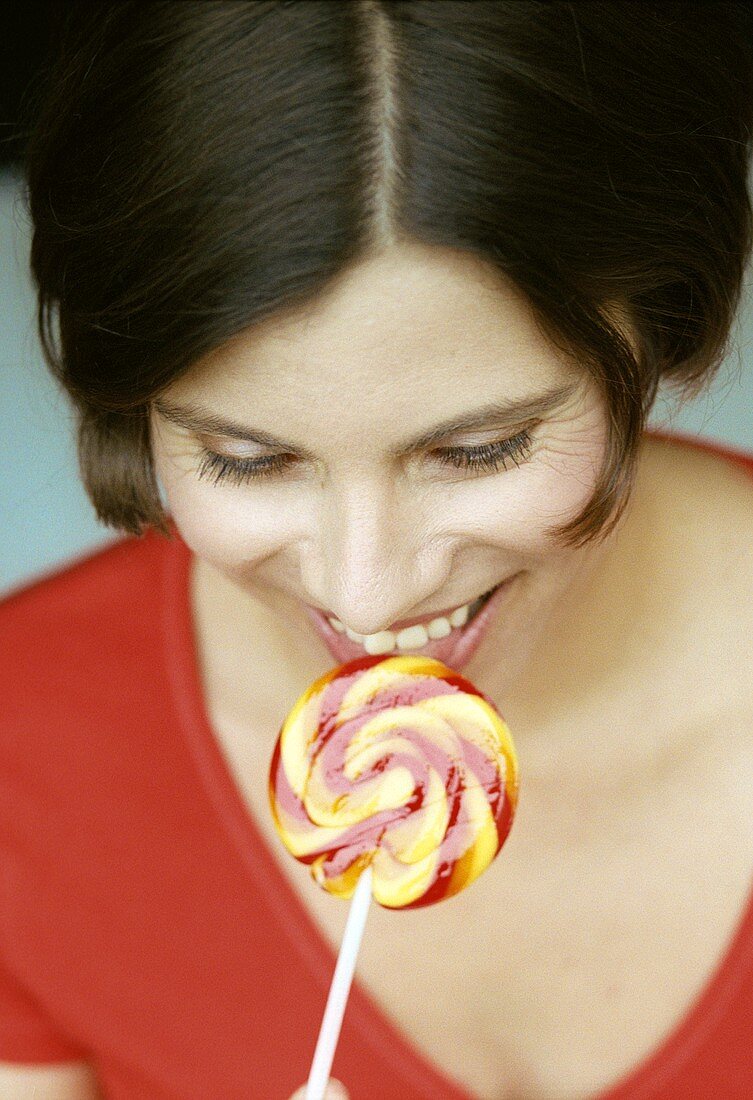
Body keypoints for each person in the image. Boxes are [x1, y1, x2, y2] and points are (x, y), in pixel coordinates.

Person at [2, 1, 753, 1097]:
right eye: (248, 459)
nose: (366, 586)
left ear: (663, 323)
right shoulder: (21, 760)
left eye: (480, 447)